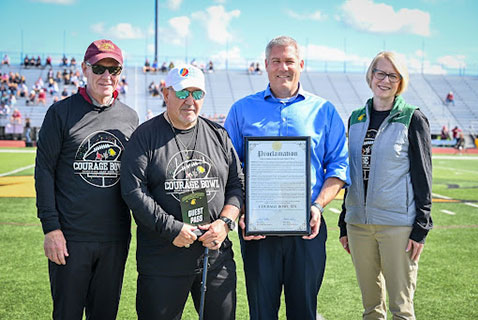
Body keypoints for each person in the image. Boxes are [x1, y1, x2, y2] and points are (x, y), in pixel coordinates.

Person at [224, 36, 350, 320]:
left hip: (307, 228)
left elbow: (339, 167)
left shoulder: (324, 110)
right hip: (257, 230)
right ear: (266, 65)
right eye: (277, 61)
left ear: (301, 65)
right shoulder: (241, 110)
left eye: (290, 61)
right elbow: (228, 168)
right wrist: (242, 210)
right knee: (261, 312)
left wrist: (317, 206)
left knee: (304, 311)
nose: (284, 67)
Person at [121, 64, 243, 320]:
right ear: (166, 94)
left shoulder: (219, 135)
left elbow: (236, 184)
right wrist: (172, 228)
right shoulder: (145, 136)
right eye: (182, 92)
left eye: (197, 94)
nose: (190, 100)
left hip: (215, 256)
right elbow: (133, 191)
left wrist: (225, 223)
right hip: (163, 260)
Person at [34, 39, 138, 320]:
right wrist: (51, 228)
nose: (107, 76)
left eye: (113, 69)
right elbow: (44, 171)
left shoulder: (130, 117)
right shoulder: (60, 112)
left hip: (115, 238)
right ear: (84, 69)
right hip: (70, 238)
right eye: (99, 68)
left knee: (105, 314)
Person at [338, 51, 433, 320]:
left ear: (400, 81)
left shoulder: (412, 118)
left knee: (401, 309)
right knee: (371, 308)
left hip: (397, 226)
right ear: (371, 75)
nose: (385, 80)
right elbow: (351, 174)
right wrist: (345, 222)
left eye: (393, 75)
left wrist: (421, 227)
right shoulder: (355, 118)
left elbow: (423, 175)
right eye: (380, 73)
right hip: (359, 225)